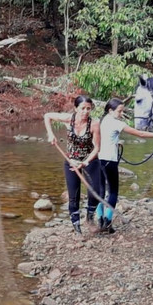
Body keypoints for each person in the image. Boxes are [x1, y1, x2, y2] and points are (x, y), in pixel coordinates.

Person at [94, 97, 153, 233]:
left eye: (122, 111)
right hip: (110, 160)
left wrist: (117, 142)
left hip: (99, 158)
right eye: (119, 111)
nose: (121, 113)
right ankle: (108, 222)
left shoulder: (103, 120)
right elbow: (139, 133)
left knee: (100, 191)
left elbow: (106, 138)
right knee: (113, 192)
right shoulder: (116, 123)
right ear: (110, 110)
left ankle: (99, 220)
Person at [44, 95, 102, 235]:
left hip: (89, 160)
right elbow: (47, 116)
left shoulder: (94, 124)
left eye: (88, 108)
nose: (85, 111)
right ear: (76, 108)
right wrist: (50, 134)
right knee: (73, 195)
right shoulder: (68, 119)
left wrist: (85, 162)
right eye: (82, 108)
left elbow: (97, 148)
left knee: (95, 191)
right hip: (71, 161)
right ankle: (76, 226)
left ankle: (89, 218)